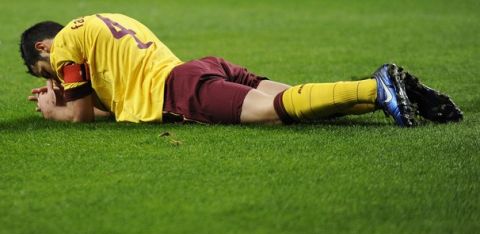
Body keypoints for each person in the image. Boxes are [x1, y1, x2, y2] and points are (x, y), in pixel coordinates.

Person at [20, 13, 463, 127]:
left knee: (274, 111)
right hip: (201, 68)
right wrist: (86, 98)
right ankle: (383, 92)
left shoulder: (63, 49)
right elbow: (118, 103)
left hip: (179, 88)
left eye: (45, 71)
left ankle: (379, 86)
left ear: (44, 46)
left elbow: (78, 118)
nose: (53, 78)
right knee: (297, 103)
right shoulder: (102, 21)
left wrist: (53, 108)